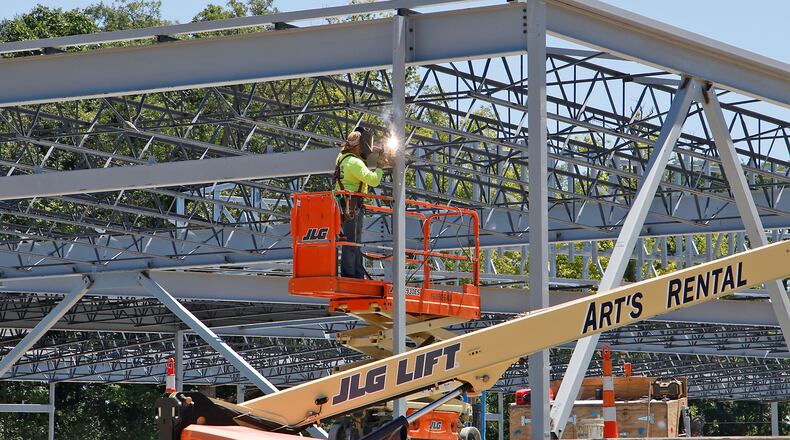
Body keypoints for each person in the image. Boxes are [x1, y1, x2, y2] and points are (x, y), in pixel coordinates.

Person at [335, 128, 386, 278]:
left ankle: (356, 273)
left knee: (353, 242)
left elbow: (361, 160)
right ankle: (351, 275)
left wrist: (374, 150)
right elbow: (373, 180)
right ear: (359, 145)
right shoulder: (355, 162)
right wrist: (380, 166)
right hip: (351, 205)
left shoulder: (342, 157)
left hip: (343, 203)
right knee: (352, 242)